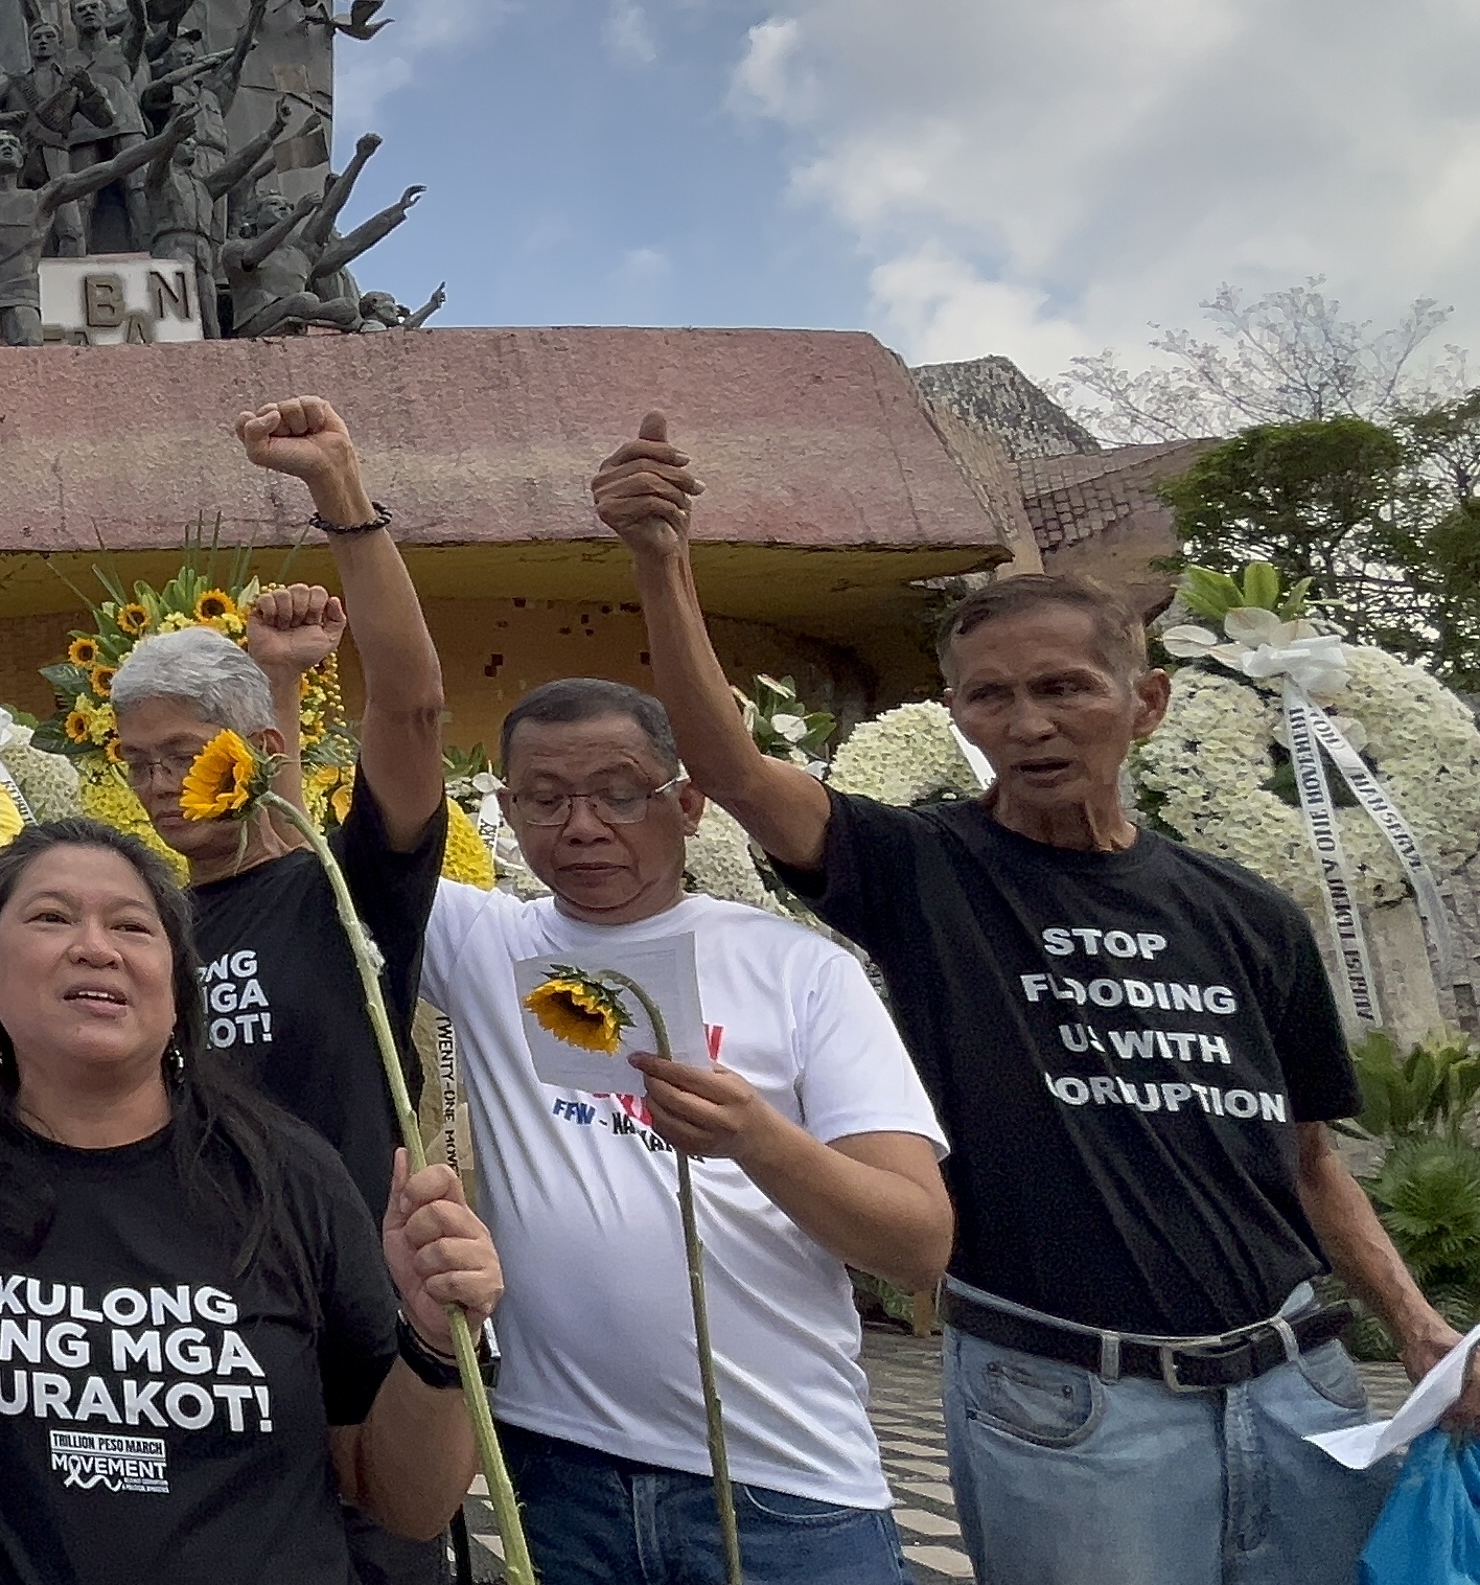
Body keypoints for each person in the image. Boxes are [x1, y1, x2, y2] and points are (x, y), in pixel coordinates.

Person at [595, 417, 1461, 1585]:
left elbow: (1310, 1164)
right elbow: (739, 771)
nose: (1028, 723)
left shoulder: (1249, 915)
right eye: (988, 697)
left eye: (1064, 687)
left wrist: (1418, 1333)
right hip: (1069, 1405)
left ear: (1144, 704)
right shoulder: (924, 872)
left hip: (1300, 1390)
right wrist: (663, 558)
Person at [0, 821, 501, 1585]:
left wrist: (435, 1341)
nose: (97, 946)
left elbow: (401, 1502)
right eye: (52, 917)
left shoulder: (287, 1175)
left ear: (177, 980)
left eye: (131, 925)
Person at [422, 677, 951, 1582]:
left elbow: (917, 1244)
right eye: (545, 800)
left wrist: (759, 1139)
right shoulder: (479, 941)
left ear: (690, 802)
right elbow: (296, 850)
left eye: (622, 794)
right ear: (507, 809)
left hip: (781, 1485)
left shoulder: (800, 970)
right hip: (555, 1470)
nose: (583, 826)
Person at [104, 399, 453, 1207]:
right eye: (137, 762)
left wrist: (339, 488)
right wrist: (280, 676)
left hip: (348, 1300)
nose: (159, 785)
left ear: (256, 752)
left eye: (183, 756)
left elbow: (412, 707)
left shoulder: (343, 893)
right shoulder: (145, 927)